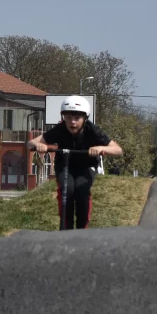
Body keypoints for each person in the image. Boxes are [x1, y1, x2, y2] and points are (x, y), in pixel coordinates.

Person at [27, 95, 122, 230]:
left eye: (77, 118)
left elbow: (118, 150)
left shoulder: (92, 130)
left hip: (86, 166)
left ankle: (83, 228)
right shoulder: (60, 129)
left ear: (85, 119)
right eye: (68, 118)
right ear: (63, 118)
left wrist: (101, 148)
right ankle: (65, 227)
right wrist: (39, 145)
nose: (72, 122)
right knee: (67, 189)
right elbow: (30, 143)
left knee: (82, 190)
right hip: (65, 165)